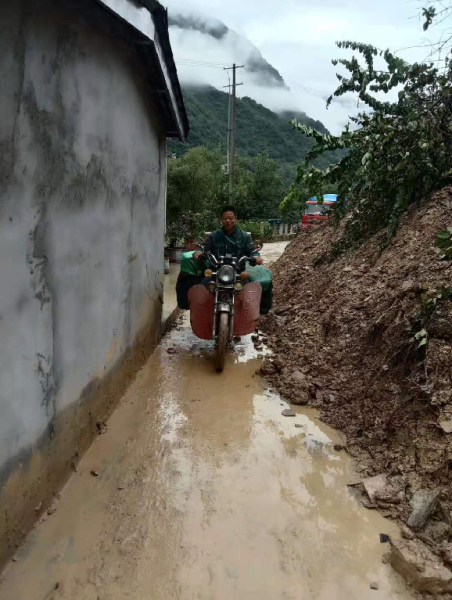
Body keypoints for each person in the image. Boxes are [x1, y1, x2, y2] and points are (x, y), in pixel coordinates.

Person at [193, 205, 263, 266]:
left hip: (239, 271)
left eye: (231, 218)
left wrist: (256, 257)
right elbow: (205, 248)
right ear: (221, 219)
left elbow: (252, 251)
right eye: (225, 218)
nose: (228, 221)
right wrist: (199, 252)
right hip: (216, 269)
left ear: (235, 219)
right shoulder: (213, 236)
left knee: (255, 277)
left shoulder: (245, 236)